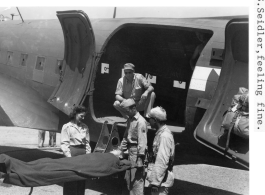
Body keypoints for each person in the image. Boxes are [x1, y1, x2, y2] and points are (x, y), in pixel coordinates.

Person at [60, 105, 91, 195]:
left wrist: (88, 156)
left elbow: (87, 143)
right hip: (72, 155)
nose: (83, 118)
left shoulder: (85, 127)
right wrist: (69, 158)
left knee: (81, 180)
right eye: (81, 116)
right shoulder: (67, 127)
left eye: (84, 116)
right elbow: (64, 144)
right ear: (75, 114)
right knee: (71, 179)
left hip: (83, 155)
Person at [119, 98, 148, 195]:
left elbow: (142, 141)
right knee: (129, 179)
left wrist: (140, 158)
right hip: (129, 151)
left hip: (136, 153)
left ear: (133, 108)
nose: (126, 113)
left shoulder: (141, 121)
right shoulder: (130, 120)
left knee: (137, 180)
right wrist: (122, 151)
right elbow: (125, 136)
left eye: (127, 111)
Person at [145, 107, 175, 195]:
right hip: (160, 180)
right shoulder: (160, 133)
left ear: (155, 120)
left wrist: (155, 183)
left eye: (149, 118)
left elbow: (162, 160)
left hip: (161, 182)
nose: (148, 121)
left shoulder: (164, 136)